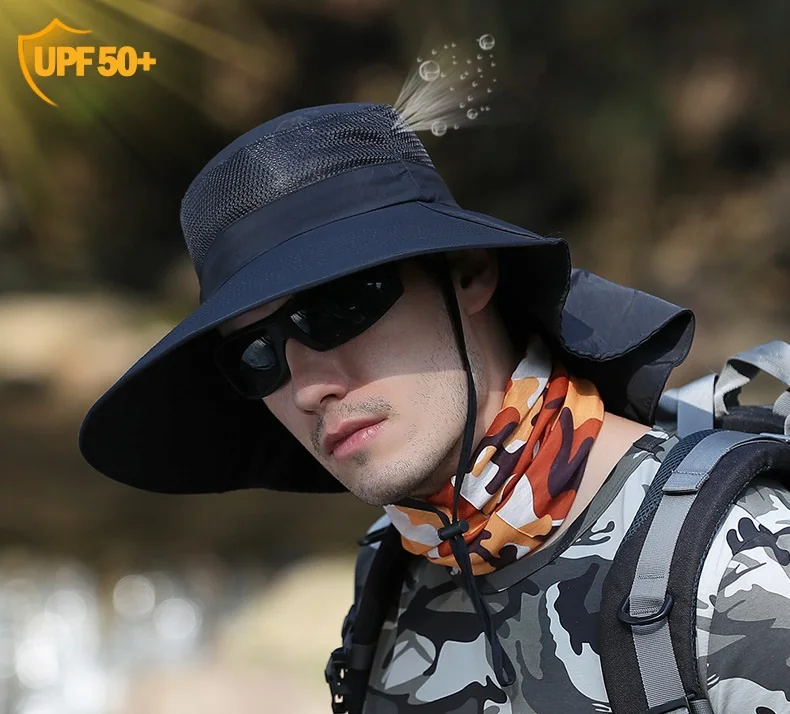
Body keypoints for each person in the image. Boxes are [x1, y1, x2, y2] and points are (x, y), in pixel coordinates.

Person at [79, 103, 790, 713]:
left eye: (336, 309)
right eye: (256, 355)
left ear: (469, 273)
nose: (306, 387)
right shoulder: (395, 567)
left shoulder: (734, 571)